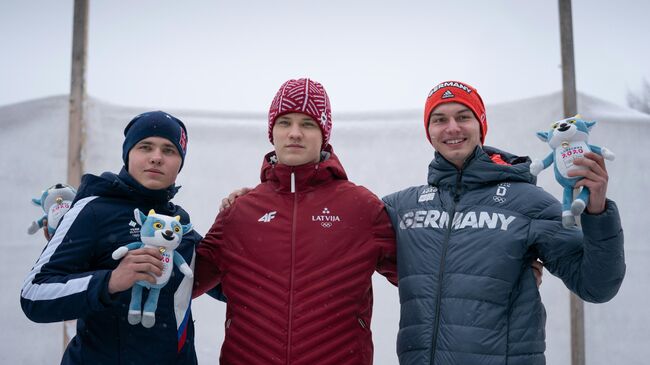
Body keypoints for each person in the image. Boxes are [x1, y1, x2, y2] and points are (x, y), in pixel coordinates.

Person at [382, 80, 626, 365]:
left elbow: (596, 286)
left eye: (463, 117)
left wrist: (597, 212)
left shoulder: (527, 202)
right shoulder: (402, 207)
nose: (452, 127)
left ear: (480, 125)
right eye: (439, 119)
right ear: (429, 131)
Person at [193, 78, 398, 364]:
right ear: (272, 132)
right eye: (285, 122)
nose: (295, 133)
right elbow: (183, 282)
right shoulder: (239, 213)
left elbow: (424, 279)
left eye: (308, 124)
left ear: (324, 134)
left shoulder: (361, 207)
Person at [21, 111, 202, 364]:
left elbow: (231, 285)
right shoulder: (92, 210)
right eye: (145, 147)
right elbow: (34, 295)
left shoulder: (180, 224)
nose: (157, 158)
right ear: (128, 154)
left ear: (180, 164)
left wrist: (238, 213)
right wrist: (110, 280)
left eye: (169, 150)